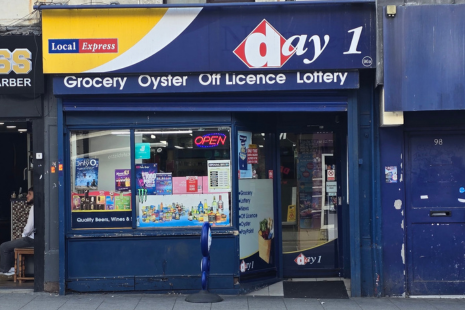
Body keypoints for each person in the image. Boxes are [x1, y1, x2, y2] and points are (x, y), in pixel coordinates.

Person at [0, 187, 34, 276]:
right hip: (36, 239)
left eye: (30, 194)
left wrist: (24, 235)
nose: (27, 196)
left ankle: (6, 270)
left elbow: (29, 227)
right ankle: (10, 268)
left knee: (4, 247)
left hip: (31, 239)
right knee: (11, 245)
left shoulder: (34, 208)